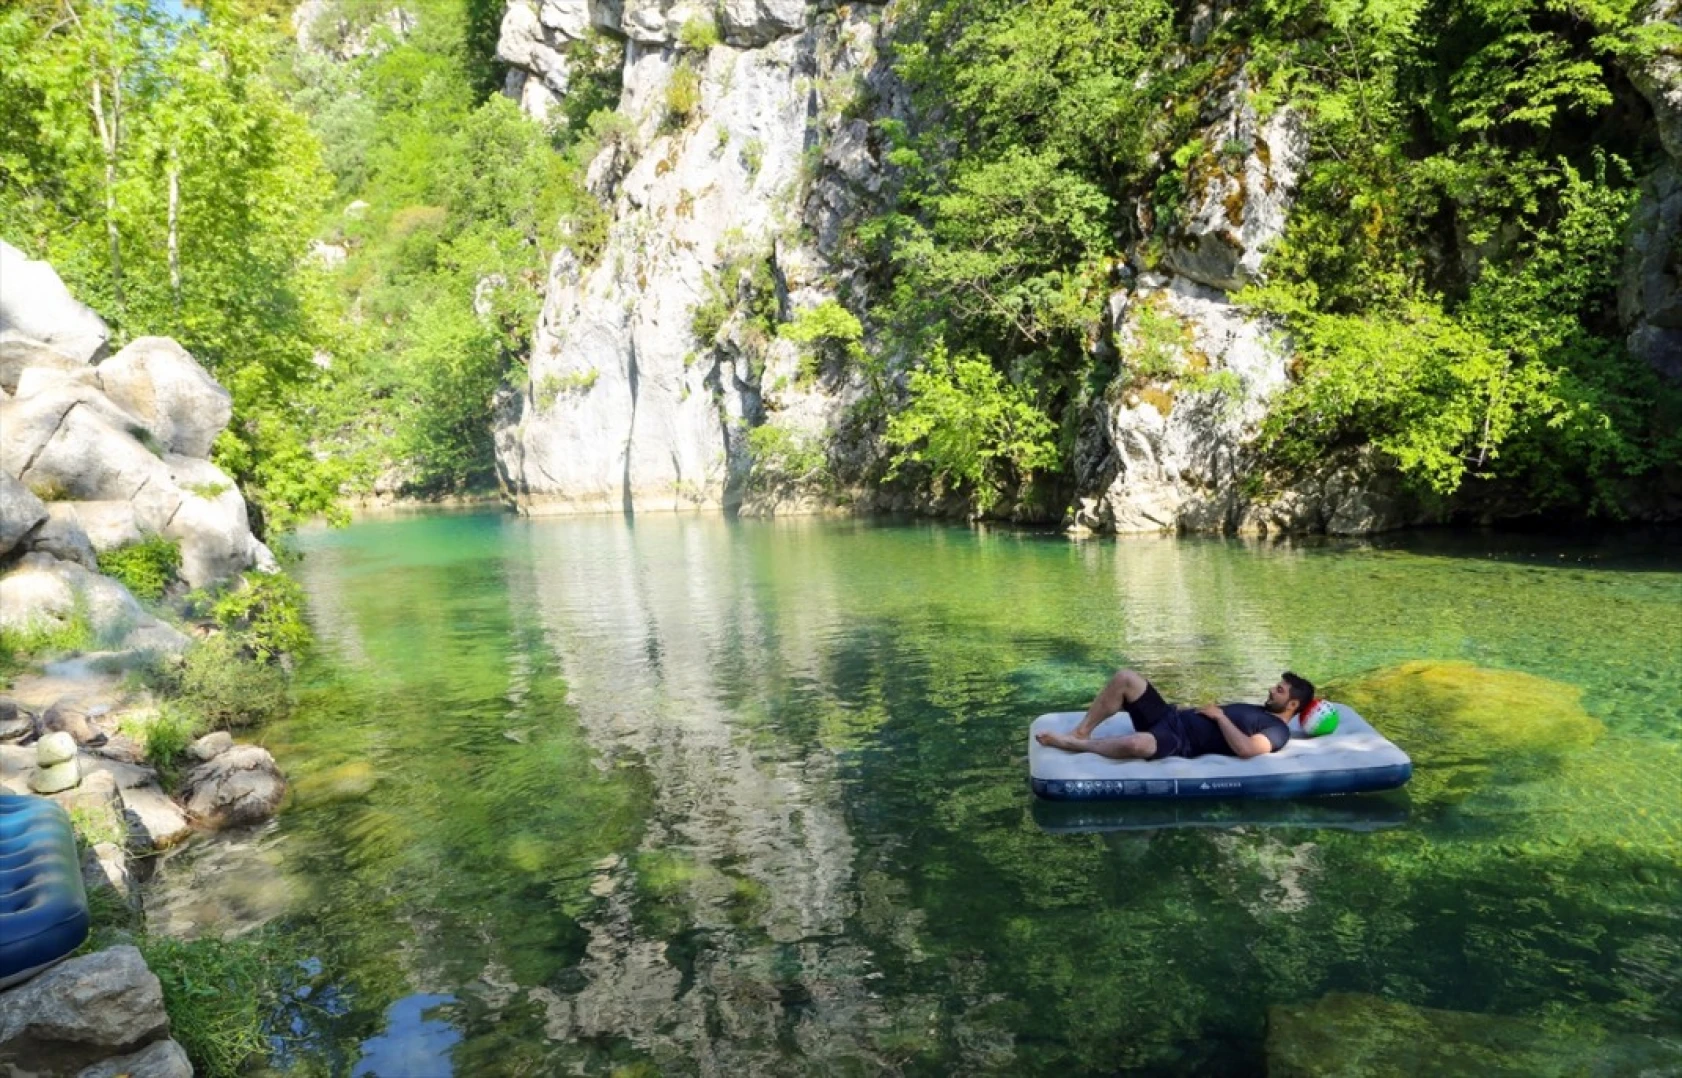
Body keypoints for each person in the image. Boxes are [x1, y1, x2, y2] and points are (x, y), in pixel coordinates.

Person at [1035, 669, 1314, 761]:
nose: (1271, 689)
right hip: (1171, 716)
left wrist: (1220, 717)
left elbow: (1247, 749)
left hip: (1179, 740)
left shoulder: (1278, 731)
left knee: (1137, 744)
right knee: (1126, 678)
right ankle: (1082, 730)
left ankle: (1075, 744)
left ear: (1292, 705)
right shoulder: (1259, 710)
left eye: (1279, 690)